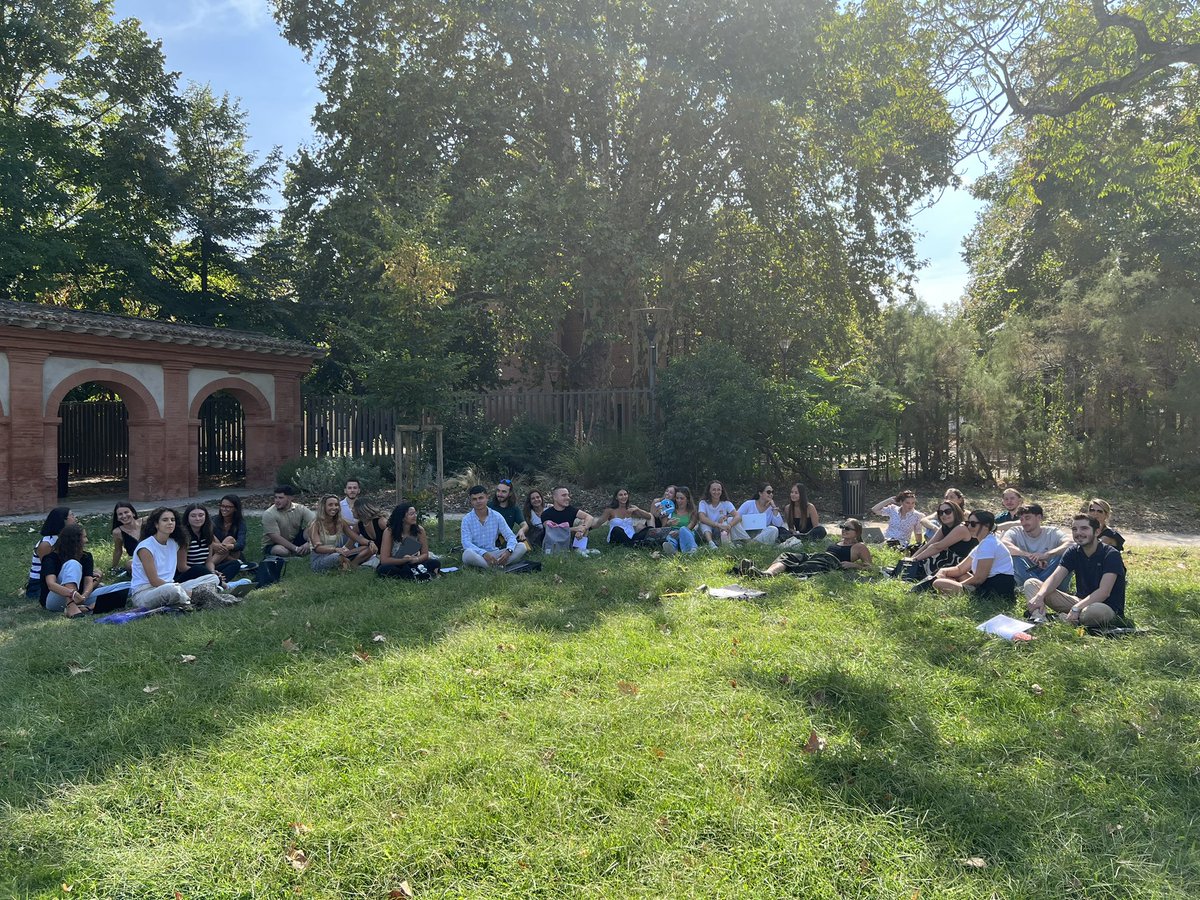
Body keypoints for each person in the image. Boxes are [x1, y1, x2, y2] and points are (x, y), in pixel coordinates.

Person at [1024, 514, 1128, 627]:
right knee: (1031, 584)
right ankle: (1038, 619)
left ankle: (1063, 618)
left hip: (1104, 606)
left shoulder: (1111, 554)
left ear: (1097, 532)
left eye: (1084, 528)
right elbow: (1055, 578)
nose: (1078, 533)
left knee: (1093, 613)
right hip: (1079, 602)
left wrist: (1076, 608)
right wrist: (1040, 597)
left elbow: (1104, 592)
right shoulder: (1073, 551)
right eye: (1074, 529)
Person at [130, 507, 222, 610]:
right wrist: (180, 588)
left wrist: (179, 587)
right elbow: (154, 581)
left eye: (172, 520)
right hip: (146, 592)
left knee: (213, 578)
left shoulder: (174, 543)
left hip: (173, 586)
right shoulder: (145, 547)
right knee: (172, 590)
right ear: (156, 524)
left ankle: (195, 596)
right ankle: (200, 597)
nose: (170, 523)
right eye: (165, 520)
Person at [931, 510, 1016, 599]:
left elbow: (979, 578)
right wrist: (943, 571)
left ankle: (954, 594)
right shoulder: (983, 543)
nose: (969, 527)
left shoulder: (989, 544)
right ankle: (953, 593)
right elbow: (960, 569)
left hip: (996, 591)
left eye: (973, 524)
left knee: (938, 583)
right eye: (967, 523)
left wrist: (958, 585)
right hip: (986, 584)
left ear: (986, 526)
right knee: (959, 575)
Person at [892, 500, 975, 582]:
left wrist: (915, 560)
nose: (944, 515)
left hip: (964, 564)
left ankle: (920, 577)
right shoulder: (945, 527)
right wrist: (912, 559)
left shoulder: (961, 528)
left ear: (956, 512)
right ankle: (908, 573)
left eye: (948, 511)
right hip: (952, 560)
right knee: (930, 556)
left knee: (938, 555)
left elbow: (938, 547)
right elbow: (929, 544)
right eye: (940, 512)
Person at [1000, 503, 1071, 587]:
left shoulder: (1052, 532)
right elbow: (1003, 544)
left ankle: (1034, 587)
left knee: (1066, 555)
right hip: (1026, 572)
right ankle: (1042, 587)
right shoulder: (1016, 531)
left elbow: (1071, 543)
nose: (1024, 522)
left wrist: (1046, 555)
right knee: (1013, 556)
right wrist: (1028, 555)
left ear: (1039, 517)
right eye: (1021, 519)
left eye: (1027, 518)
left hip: (1049, 571)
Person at [461, 484, 527, 569]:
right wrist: (483, 553)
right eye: (474, 499)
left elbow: (510, 536)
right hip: (477, 554)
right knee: (467, 554)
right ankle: (496, 566)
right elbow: (466, 543)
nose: (478, 501)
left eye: (481, 498)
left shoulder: (496, 516)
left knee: (522, 547)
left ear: (486, 498)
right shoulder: (467, 519)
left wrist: (508, 551)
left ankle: (489, 565)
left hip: (495, 553)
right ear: (471, 501)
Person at [39, 524, 97, 617]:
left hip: (80, 597)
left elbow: (88, 582)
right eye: (84, 537)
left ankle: (86, 608)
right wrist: (72, 594)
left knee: (125, 587)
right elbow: (51, 585)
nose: (87, 540)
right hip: (55, 599)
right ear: (75, 540)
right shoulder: (51, 558)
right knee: (73, 563)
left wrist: (83, 597)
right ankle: (71, 606)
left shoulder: (86, 556)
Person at [307, 494, 373, 572]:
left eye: (336, 505)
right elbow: (318, 548)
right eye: (330, 505)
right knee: (337, 556)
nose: (334, 508)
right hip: (321, 559)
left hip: (339, 553)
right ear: (323, 507)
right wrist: (336, 550)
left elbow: (356, 537)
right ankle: (348, 566)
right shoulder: (315, 524)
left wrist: (370, 543)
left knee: (369, 548)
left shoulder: (340, 522)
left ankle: (351, 565)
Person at [176, 503, 238, 584]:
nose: (197, 518)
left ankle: (218, 583)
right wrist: (208, 574)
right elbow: (182, 567)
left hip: (204, 571)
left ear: (206, 517)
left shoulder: (207, 534)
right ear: (187, 518)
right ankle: (221, 584)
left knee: (235, 564)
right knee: (198, 568)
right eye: (193, 516)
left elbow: (208, 562)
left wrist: (212, 571)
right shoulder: (183, 536)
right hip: (188, 573)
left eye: (201, 515)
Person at [377, 502, 441, 579]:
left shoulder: (419, 530)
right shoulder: (389, 532)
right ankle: (415, 574)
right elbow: (384, 560)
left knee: (435, 562)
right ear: (402, 517)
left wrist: (416, 559)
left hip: (413, 562)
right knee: (384, 569)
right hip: (395, 563)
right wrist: (403, 560)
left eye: (415, 513)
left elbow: (425, 554)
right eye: (411, 514)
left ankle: (412, 573)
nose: (415, 516)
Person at [25, 507, 75, 598]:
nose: (75, 518)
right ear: (63, 520)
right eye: (72, 515)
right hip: (40, 584)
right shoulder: (46, 544)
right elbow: (48, 568)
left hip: (59, 578)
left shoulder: (65, 539)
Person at [262, 484, 316, 558]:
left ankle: (303, 549)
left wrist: (310, 542)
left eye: (280, 498)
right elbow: (275, 537)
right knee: (281, 551)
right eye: (275, 497)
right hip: (275, 544)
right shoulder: (269, 513)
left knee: (312, 529)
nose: (277, 501)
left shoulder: (300, 508)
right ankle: (296, 553)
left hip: (295, 540)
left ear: (290, 498)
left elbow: (317, 523)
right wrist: (295, 548)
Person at [541, 486, 597, 556]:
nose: (568, 498)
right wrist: (575, 529)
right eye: (564, 495)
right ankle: (575, 549)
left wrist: (583, 528)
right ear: (555, 498)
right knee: (578, 526)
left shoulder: (570, 509)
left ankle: (580, 549)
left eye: (568, 495)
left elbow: (589, 517)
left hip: (568, 537)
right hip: (554, 542)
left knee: (583, 522)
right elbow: (553, 530)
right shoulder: (546, 514)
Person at [699, 480, 744, 548]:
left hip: (720, 530)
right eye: (714, 490)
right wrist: (717, 524)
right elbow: (702, 518)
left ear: (722, 491)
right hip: (706, 532)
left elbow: (737, 516)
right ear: (709, 491)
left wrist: (730, 525)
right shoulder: (703, 503)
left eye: (719, 490)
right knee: (704, 523)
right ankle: (711, 544)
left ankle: (729, 543)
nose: (716, 492)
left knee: (729, 520)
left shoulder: (726, 503)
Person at [211, 495, 247, 573]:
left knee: (230, 539)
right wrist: (215, 545)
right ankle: (236, 562)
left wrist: (228, 546)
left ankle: (209, 566)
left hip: (233, 553)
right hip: (215, 551)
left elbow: (241, 545)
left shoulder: (240, 523)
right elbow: (205, 538)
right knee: (210, 536)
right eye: (222, 506)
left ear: (235, 508)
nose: (224, 509)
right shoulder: (214, 520)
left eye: (228, 507)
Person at [662, 486, 699, 555]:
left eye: (682, 498)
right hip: (673, 533)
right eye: (677, 498)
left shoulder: (692, 511)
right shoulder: (671, 510)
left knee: (683, 529)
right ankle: (673, 551)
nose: (679, 501)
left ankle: (693, 549)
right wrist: (668, 523)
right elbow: (664, 527)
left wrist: (679, 532)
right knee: (670, 538)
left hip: (687, 533)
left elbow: (691, 526)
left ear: (687, 499)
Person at [352, 497, 388, 567]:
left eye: (353, 508)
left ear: (360, 510)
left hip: (388, 554)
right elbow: (349, 544)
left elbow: (396, 537)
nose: (352, 510)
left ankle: (352, 566)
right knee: (366, 548)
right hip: (375, 555)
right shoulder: (358, 526)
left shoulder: (381, 522)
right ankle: (351, 566)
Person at [109, 502, 143, 572]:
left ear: (133, 513)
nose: (124, 516)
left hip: (157, 554)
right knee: (129, 565)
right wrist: (113, 567)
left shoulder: (146, 522)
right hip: (139, 560)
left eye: (126, 512)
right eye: (120, 514)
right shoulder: (117, 532)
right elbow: (118, 551)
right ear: (117, 518)